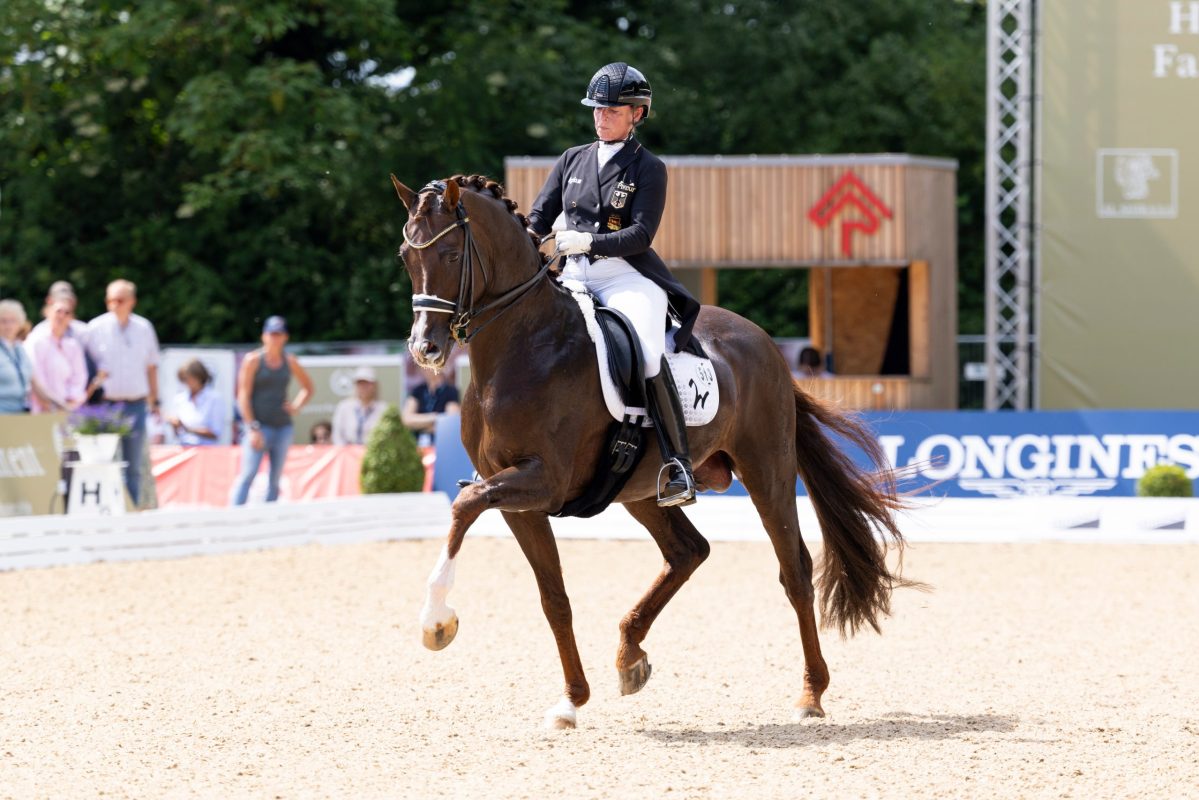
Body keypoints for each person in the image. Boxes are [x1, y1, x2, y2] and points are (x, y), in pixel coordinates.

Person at [524, 62, 702, 507]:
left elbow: (641, 235)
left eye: (611, 110)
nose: (601, 116)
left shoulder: (649, 168)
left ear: (636, 114)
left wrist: (588, 240)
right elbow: (537, 218)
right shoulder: (571, 158)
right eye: (597, 109)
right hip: (573, 276)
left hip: (625, 276)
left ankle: (677, 463)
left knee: (645, 350)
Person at [84, 279, 161, 505]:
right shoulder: (95, 328)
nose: (114, 304)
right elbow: (86, 369)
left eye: (120, 300)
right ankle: (104, 509)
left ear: (132, 301)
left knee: (133, 465)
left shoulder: (144, 328)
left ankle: (131, 512)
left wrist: (154, 400)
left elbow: (152, 366)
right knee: (103, 462)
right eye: (110, 300)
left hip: (136, 404)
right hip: (105, 406)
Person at [230, 316, 314, 505]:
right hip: (259, 426)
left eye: (279, 334)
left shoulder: (290, 361)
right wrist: (252, 427)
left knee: (275, 480)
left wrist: (296, 407)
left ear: (285, 337)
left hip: (282, 426)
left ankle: (271, 523)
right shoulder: (253, 360)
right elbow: (243, 396)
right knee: (248, 475)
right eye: (271, 334)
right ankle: (233, 519)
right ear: (264, 336)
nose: (275, 338)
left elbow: (308, 387)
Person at [26, 299, 88, 413]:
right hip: (42, 408)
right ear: (48, 312)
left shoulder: (72, 345)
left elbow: (79, 377)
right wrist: (49, 403)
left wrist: (71, 400)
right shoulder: (36, 341)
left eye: (67, 312)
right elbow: (36, 376)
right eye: (58, 311)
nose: (62, 316)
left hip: (68, 409)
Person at [165, 358, 223, 446]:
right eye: (184, 379)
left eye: (188, 378)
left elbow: (216, 433)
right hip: (182, 449)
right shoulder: (179, 399)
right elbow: (176, 434)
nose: (186, 382)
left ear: (199, 377)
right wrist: (175, 425)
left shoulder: (214, 398)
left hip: (206, 452)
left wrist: (187, 429)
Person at [402, 367, 460, 448]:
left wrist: (418, 425)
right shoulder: (418, 391)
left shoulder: (451, 391)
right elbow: (407, 419)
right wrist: (436, 417)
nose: (425, 369)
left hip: (441, 445)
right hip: (416, 445)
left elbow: (451, 422)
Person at [332, 365, 388, 445]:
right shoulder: (344, 407)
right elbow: (337, 435)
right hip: (347, 454)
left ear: (374, 386)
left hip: (372, 453)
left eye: (367, 384)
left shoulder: (383, 409)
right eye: (360, 384)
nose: (363, 387)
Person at [0, 299, 33, 413]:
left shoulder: (19, 348)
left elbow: (34, 380)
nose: (8, 326)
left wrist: (58, 405)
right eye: (3, 321)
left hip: (20, 411)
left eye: (13, 321)